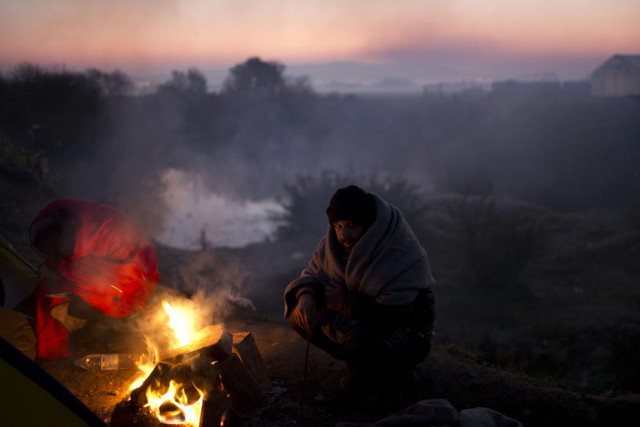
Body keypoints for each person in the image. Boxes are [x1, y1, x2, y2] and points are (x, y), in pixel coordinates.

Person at [284, 185, 436, 406]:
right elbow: (315, 272)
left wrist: (344, 302)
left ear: (367, 224)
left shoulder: (396, 250)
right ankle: (359, 367)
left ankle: (395, 376)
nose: (344, 234)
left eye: (351, 226)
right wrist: (306, 295)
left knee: (361, 340)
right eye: (338, 226)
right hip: (358, 321)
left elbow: (395, 316)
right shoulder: (333, 245)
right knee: (300, 317)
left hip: (408, 332)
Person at [29, 199, 159, 360]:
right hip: (137, 279)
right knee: (50, 286)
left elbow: (116, 281)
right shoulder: (78, 219)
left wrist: (60, 273)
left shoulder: (88, 239)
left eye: (52, 251)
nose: (50, 256)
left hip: (127, 292)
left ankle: (53, 357)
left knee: (50, 296)